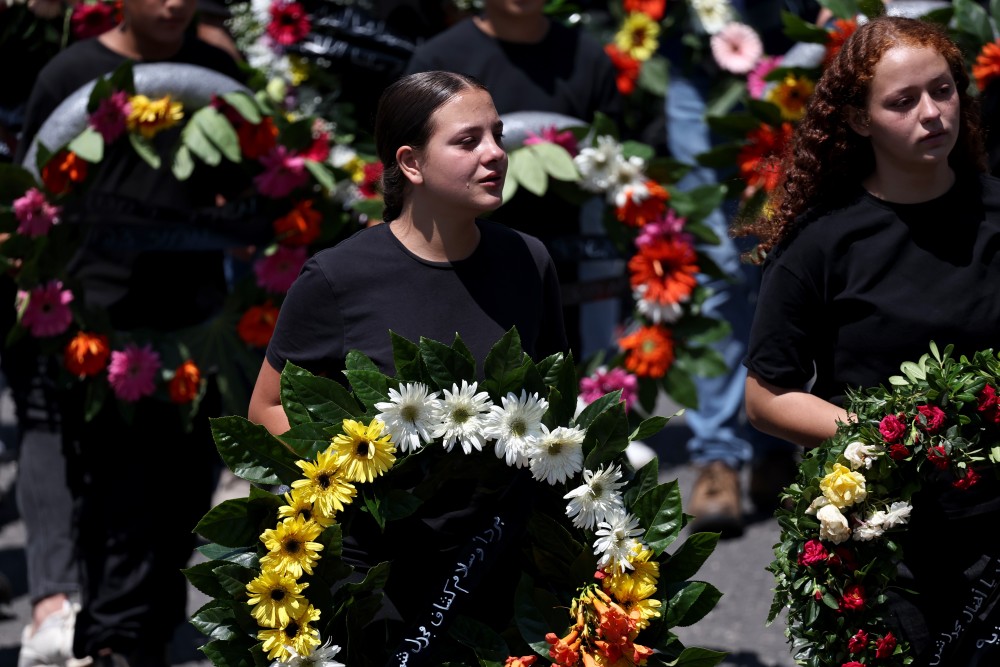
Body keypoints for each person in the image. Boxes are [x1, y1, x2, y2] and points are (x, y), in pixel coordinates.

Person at [247, 70, 567, 661]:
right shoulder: (338, 278)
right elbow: (267, 408)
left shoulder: (529, 260)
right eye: (469, 141)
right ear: (411, 164)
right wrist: (349, 486)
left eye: (497, 135)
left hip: (500, 563)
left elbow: (552, 408)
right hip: (379, 574)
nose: (497, 152)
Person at [742, 14, 1000, 664]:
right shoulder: (821, 242)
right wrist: (889, 436)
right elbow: (768, 394)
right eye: (903, 101)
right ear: (858, 119)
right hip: (884, 536)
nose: (932, 113)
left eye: (942, 91)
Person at [12, 0, 252, 664]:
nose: (174, 4)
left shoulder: (213, 71)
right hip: (98, 329)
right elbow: (32, 198)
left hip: (196, 323)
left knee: (183, 493)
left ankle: (142, 630)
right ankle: (115, 641)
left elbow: (253, 178)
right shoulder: (72, 73)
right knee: (115, 502)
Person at [402, 0, 623, 361]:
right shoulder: (438, 59)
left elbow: (613, 157)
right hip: (463, 268)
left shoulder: (587, 57)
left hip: (569, 272)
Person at [663, 0, 809, 537]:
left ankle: (775, 442)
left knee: (783, 265)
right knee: (719, 272)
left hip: (792, 61)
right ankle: (718, 456)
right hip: (699, 75)